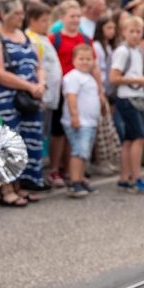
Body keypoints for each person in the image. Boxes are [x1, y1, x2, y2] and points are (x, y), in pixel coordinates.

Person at [0, 0, 46, 206]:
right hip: (5, 99)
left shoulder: (26, 36)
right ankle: (6, 189)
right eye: (17, 13)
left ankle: (20, 187)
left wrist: (41, 84)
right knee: (7, 144)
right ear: (3, 15)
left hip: (28, 98)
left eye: (22, 13)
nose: (21, 17)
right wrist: (29, 86)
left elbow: (38, 65)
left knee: (27, 141)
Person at [48, 0, 105, 187]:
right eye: (72, 16)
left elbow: (95, 66)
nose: (76, 20)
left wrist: (100, 90)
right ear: (62, 17)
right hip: (63, 88)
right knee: (59, 131)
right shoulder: (54, 38)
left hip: (83, 91)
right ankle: (55, 168)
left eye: (78, 16)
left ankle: (71, 170)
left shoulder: (85, 39)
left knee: (76, 131)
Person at [110, 15, 144, 194]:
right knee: (139, 138)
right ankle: (137, 179)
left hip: (134, 97)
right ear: (123, 32)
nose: (136, 35)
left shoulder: (138, 51)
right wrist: (141, 79)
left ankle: (124, 178)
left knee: (129, 141)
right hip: (127, 98)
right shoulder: (123, 51)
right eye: (132, 31)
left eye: (139, 31)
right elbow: (114, 78)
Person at [25, 1, 62, 176]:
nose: (47, 24)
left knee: (44, 134)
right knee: (38, 135)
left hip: (51, 96)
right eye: (44, 20)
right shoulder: (31, 38)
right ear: (32, 20)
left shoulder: (43, 37)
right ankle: (34, 171)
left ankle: (38, 170)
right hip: (42, 96)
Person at [62, 45, 102, 197]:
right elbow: (71, 97)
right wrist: (74, 116)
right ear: (73, 60)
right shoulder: (73, 77)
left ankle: (81, 178)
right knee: (79, 151)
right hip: (80, 122)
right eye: (81, 59)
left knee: (84, 152)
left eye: (88, 59)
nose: (85, 62)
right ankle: (74, 182)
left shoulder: (89, 77)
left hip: (90, 122)